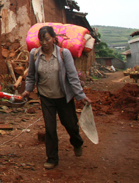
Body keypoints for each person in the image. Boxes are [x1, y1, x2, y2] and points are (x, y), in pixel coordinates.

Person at [21, 25, 92, 169]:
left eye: (47, 39)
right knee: (50, 129)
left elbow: (72, 77)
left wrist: (81, 96)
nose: (44, 43)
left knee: (70, 125)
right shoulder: (35, 54)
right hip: (46, 98)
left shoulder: (63, 54)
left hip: (63, 97)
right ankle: (52, 158)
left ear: (54, 38)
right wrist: (27, 90)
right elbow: (31, 76)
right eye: (42, 40)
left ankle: (77, 142)